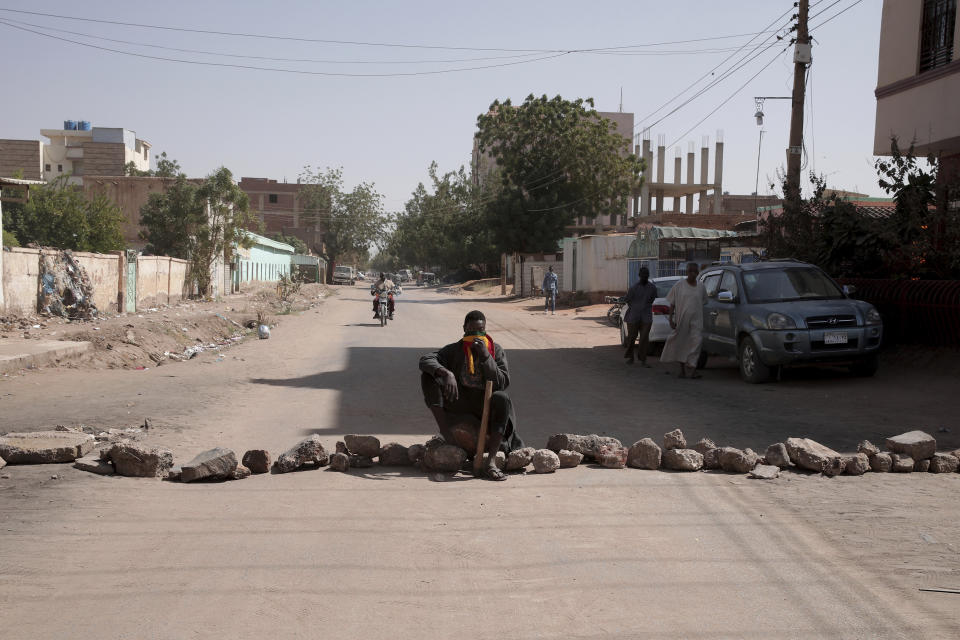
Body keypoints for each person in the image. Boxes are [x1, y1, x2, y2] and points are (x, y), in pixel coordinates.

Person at [419, 310, 524, 481]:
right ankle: (448, 437)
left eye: (480, 330)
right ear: (464, 329)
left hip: (485, 406)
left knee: (502, 398)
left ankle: (490, 461)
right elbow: (426, 359)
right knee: (429, 376)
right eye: (471, 331)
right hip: (460, 405)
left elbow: (503, 381)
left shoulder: (495, 350)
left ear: (485, 330)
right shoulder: (454, 350)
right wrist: (446, 373)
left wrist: (485, 357)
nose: (476, 335)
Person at [660, 262, 708, 378]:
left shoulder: (701, 287)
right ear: (686, 272)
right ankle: (683, 370)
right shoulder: (679, 285)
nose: (692, 273)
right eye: (690, 271)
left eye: (694, 271)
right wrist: (671, 319)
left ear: (697, 273)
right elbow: (672, 303)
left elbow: (704, 301)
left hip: (697, 321)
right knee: (682, 343)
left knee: (697, 342)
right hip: (682, 320)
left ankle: (691, 367)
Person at [622, 267, 658, 366]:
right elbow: (628, 300)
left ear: (648, 275)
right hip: (633, 316)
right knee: (631, 338)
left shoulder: (652, 288)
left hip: (646, 316)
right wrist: (636, 307)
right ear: (639, 275)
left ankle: (643, 359)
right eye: (643, 274)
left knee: (644, 338)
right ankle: (630, 357)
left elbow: (653, 299)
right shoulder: (633, 288)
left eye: (646, 274)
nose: (645, 276)